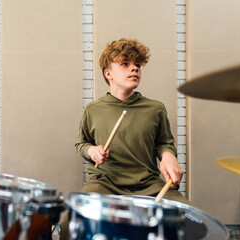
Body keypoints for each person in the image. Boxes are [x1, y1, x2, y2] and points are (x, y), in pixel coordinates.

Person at [59, 38, 190, 239]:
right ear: (108, 73)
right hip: (105, 182)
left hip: (149, 185)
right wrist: (91, 151)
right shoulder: (93, 110)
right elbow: (81, 143)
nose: (135, 69)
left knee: (188, 217)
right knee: (72, 219)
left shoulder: (155, 108)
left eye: (137, 65)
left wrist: (168, 157)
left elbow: (164, 143)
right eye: (125, 64)